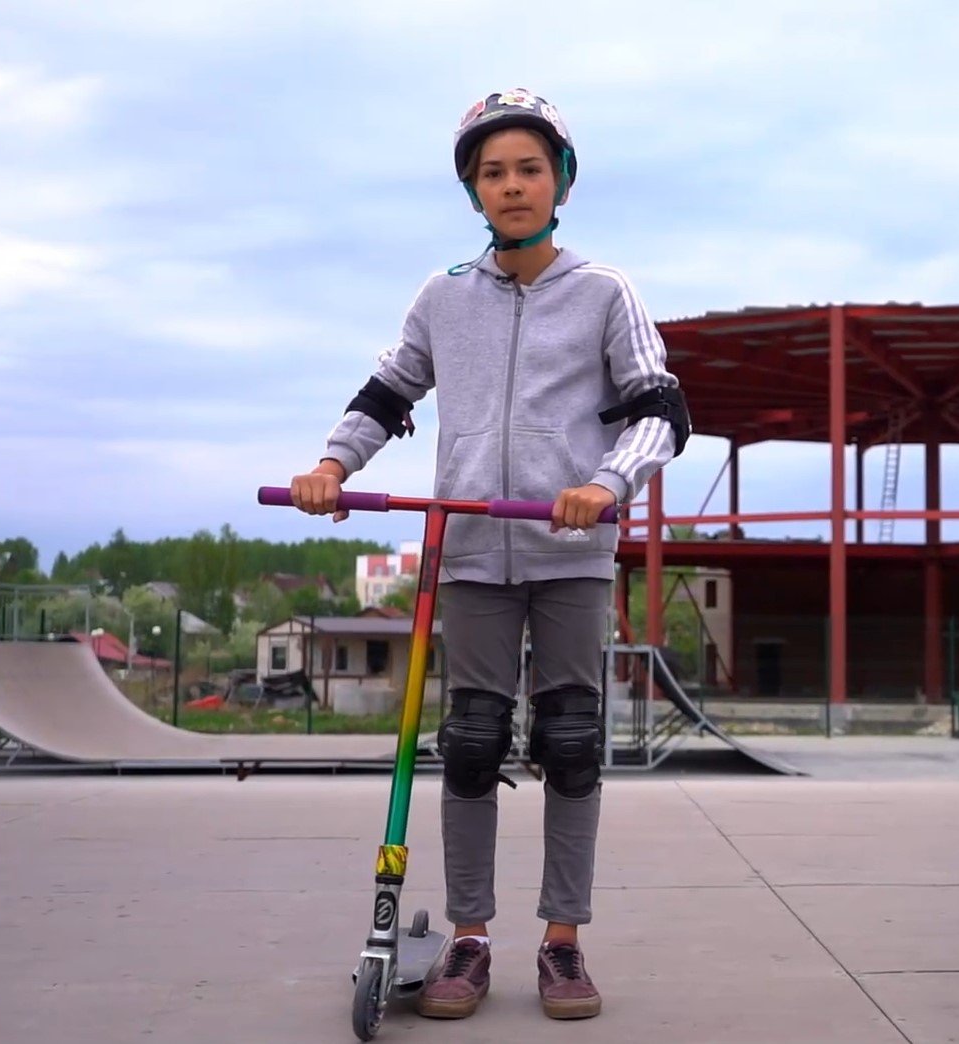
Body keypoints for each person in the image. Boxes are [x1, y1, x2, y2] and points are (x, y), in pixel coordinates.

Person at [288, 87, 690, 1021]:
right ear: (473, 192)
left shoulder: (604, 292)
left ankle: (563, 942)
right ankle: (468, 939)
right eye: (493, 172)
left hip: (570, 552)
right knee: (470, 745)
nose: (511, 186)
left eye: (529, 169)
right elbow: (388, 392)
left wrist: (608, 485)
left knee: (572, 744)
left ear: (560, 183)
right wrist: (329, 464)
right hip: (468, 551)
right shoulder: (444, 297)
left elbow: (662, 410)